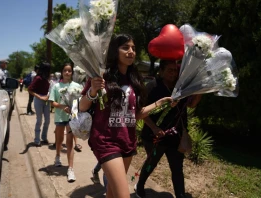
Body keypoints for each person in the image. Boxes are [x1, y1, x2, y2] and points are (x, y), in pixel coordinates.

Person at [79, 34, 174, 198]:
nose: (131, 51)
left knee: (112, 193)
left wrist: (160, 103)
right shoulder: (100, 76)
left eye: (133, 48)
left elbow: (136, 115)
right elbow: (82, 106)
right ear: (115, 51)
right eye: (125, 47)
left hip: (128, 142)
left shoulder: (135, 80)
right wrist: (92, 91)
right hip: (105, 141)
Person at [135, 60, 202, 198]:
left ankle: (180, 195)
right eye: (169, 70)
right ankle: (140, 185)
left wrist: (200, 91)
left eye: (175, 70)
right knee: (151, 163)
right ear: (161, 71)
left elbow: (191, 105)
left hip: (176, 136)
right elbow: (141, 112)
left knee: (177, 168)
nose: (173, 73)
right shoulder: (152, 87)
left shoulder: (181, 87)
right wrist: (154, 128)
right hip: (155, 136)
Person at [49, 63, 83, 182]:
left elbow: (82, 100)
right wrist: (63, 106)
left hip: (72, 118)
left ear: (72, 73)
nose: (67, 73)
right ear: (62, 72)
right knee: (59, 140)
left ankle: (70, 169)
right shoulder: (56, 86)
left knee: (69, 143)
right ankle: (57, 156)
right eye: (65, 70)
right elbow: (52, 102)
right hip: (59, 117)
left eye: (69, 71)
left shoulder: (77, 86)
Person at [28, 62, 51, 146]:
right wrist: (40, 97)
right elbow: (30, 89)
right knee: (39, 120)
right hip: (39, 99)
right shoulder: (38, 78)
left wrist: (48, 95)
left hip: (47, 99)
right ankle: (37, 139)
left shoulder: (47, 78)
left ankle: (44, 137)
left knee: (47, 120)